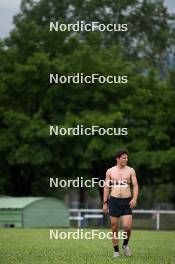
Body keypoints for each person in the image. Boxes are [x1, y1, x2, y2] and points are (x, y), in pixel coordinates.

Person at [103, 149, 139, 257]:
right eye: (124, 158)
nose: (126, 159)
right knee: (114, 227)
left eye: (127, 158)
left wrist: (134, 199)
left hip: (127, 201)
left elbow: (135, 185)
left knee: (127, 226)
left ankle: (125, 245)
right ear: (118, 159)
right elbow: (106, 187)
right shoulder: (110, 171)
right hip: (113, 201)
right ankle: (116, 252)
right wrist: (105, 202)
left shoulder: (131, 170)